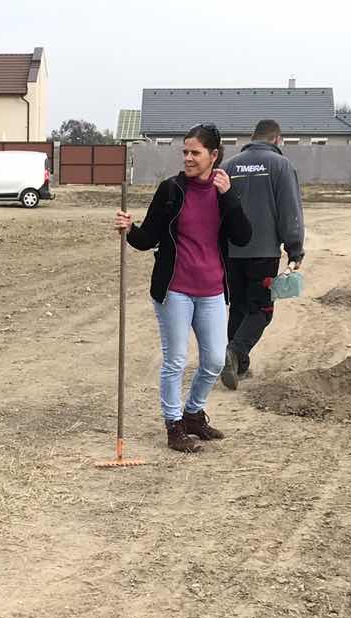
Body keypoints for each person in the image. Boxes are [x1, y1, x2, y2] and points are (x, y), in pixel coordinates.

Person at [114, 124, 252, 453]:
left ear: (214, 156)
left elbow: (243, 236)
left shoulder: (225, 193)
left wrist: (228, 196)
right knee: (175, 360)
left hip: (212, 291)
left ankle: (193, 413)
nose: (188, 158)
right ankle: (173, 425)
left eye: (196, 153)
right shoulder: (171, 190)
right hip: (174, 289)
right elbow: (148, 239)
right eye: (185, 152)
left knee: (215, 361)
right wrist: (129, 228)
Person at [219, 119, 305, 389]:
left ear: (252, 136)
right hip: (264, 252)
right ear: (278, 139)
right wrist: (295, 248)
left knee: (240, 307)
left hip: (231, 253)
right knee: (262, 309)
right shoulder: (281, 166)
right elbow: (289, 210)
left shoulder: (228, 166)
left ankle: (239, 367)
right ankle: (234, 352)